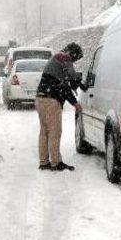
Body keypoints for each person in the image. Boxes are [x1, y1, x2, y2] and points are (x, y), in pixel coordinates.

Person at [35, 42, 84, 171]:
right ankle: (56, 163)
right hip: (51, 100)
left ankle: (44, 162)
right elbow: (69, 81)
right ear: (73, 53)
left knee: (44, 132)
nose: (74, 60)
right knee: (54, 132)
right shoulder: (64, 57)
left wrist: (74, 84)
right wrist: (75, 101)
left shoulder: (55, 59)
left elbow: (65, 83)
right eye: (76, 57)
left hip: (40, 98)